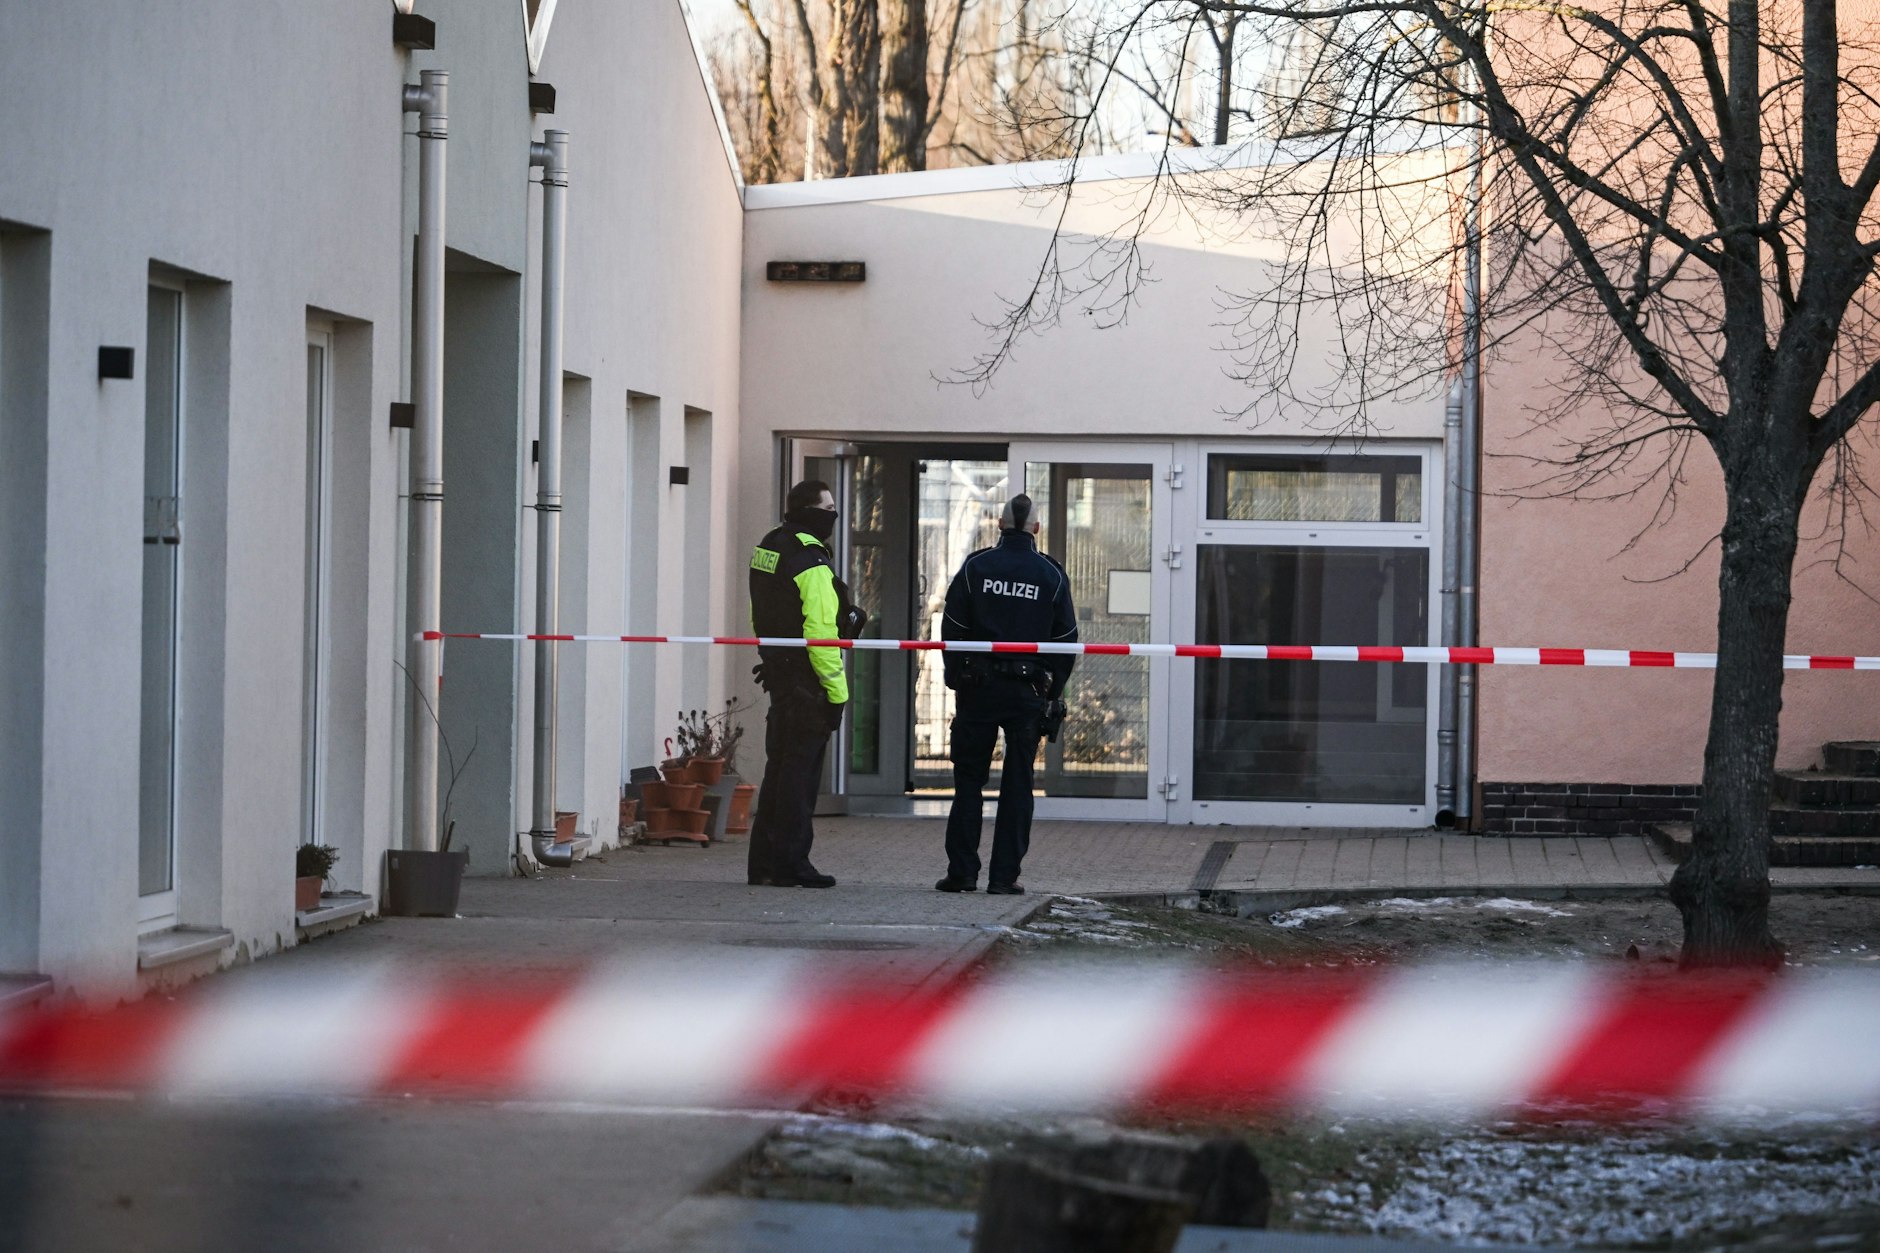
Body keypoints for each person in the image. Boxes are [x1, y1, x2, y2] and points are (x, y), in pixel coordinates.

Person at [935, 493, 1078, 895]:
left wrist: (954, 677)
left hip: (977, 691)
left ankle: (962, 873)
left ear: (998, 525)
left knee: (968, 781)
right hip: (1026, 692)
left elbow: (953, 628)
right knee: (1018, 784)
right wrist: (1054, 688)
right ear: (1036, 528)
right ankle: (1003, 878)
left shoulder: (976, 567)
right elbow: (1065, 639)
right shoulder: (1050, 574)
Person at [746, 479, 851, 888]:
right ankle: (792, 864)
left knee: (779, 771)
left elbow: (763, 613)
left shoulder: (769, 546)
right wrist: (837, 693)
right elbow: (822, 634)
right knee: (799, 779)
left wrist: (771, 660)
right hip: (808, 682)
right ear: (810, 512)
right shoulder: (811, 560)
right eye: (828, 508)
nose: (833, 515)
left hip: (779, 674)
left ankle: (764, 864)